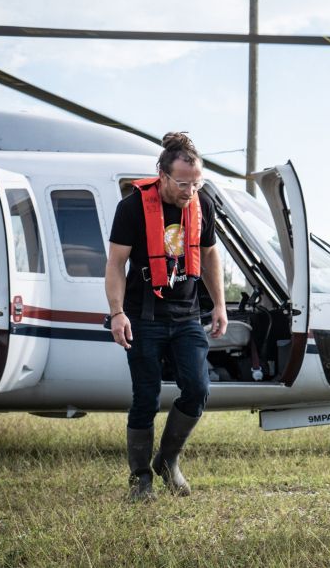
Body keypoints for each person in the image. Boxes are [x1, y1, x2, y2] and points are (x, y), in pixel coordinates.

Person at [105, 132, 228, 501]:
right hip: (144, 316)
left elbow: (209, 256)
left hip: (187, 315)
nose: (190, 191)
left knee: (198, 389)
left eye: (196, 183)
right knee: (146, 396)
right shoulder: (131, 207)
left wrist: (219, 304)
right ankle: (140, 478)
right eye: (182, 183)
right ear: (161, 174)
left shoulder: (202, 204)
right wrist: (117, 313)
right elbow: (115, 264)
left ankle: (167, 460)